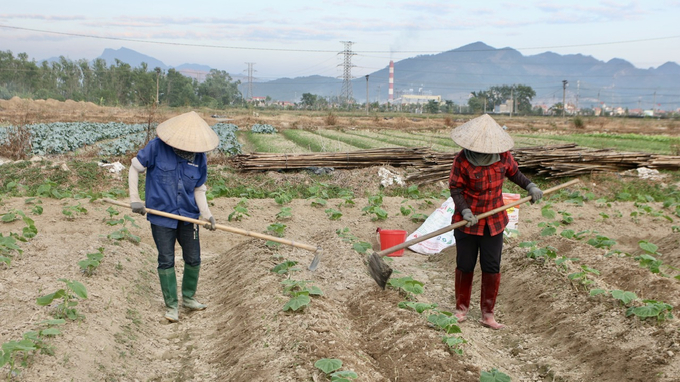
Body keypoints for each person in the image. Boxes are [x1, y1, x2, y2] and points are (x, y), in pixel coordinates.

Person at [448, 114, 543, 330]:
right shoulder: (462, 160)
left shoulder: (502, 157)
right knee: (465, 264)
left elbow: (515, 174)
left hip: (494, 222)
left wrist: (530, 186)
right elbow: (456, 188)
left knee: (491, 266)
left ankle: (487, 314)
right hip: (468, 222)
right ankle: (461, 308)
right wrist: (464, 210)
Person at [128, 111, 219, 323]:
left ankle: (188, 298)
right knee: (166, 259)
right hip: (161, 215)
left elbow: (198, 188)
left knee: (194, 257)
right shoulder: (157, 147)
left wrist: (207, 215)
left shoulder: (199, 157)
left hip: (188, 216)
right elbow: (135, 168)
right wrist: (135, 199)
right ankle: (171, 306)